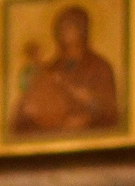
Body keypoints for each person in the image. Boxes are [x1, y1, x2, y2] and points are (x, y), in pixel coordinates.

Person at [9, 6, 120, 135]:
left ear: (82, 30)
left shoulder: (100, 67)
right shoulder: (50, 69)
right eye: (61, 28)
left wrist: (88, 113)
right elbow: (23, 116)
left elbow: (111, 112)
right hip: (51, 137)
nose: (63, 32)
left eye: (69, 27)